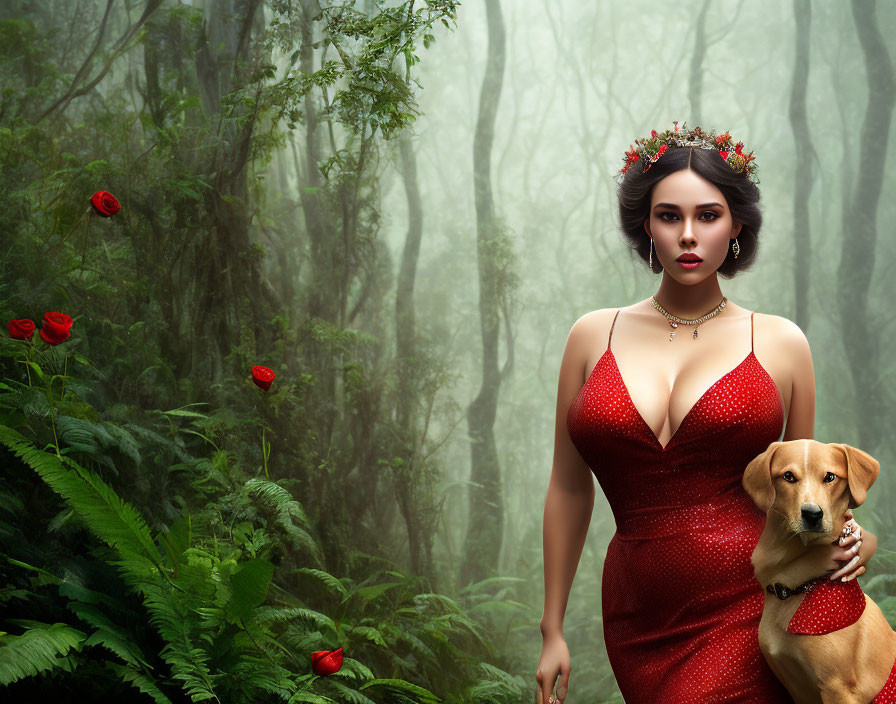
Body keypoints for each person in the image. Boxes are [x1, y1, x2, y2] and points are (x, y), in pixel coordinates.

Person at [535, 122, 879, 704]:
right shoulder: (591, 336)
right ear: (646, 225)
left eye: (709, 216)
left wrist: (853, 539)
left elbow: (806, 481)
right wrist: (551, 628)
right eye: (669, 216)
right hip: (636, 615)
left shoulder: (780, 342)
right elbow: (569, 490)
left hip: (754, 603)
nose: (688, 235)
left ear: (737, 225)